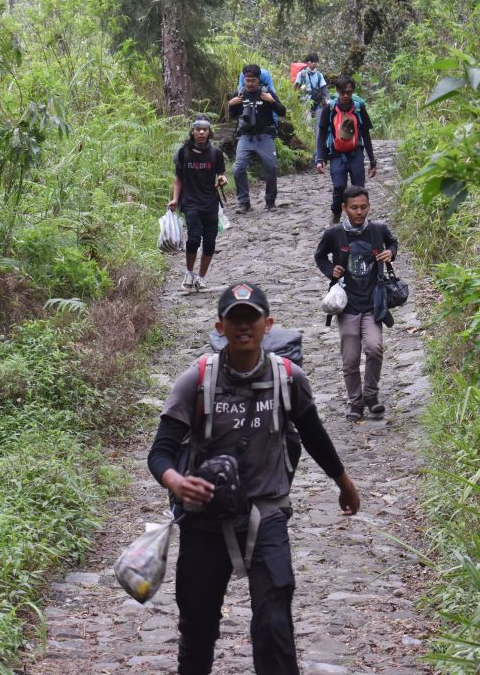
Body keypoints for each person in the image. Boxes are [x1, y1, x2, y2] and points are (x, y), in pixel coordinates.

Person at [148, 282, 360, 675]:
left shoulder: (287, 378)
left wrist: (342, 481)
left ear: (268, 324)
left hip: (267, 513)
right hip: (204, 518)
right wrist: (176, 481)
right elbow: (160, 451)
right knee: (197, 625)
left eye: (252, 319)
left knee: (274, 622)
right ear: (220, 327)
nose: (244, 327)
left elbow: (312, 433)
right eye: (235, 320)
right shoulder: (195, 380)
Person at [312, 185, 398, 420]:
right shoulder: (334, 234)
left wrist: (390, 253)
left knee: (374, 347)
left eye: (363, 207)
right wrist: (332, 272)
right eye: (354, 208)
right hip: (347, 305)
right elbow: (319, 256)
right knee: (350, 358)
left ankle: (371, 395)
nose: (359, 212)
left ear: (369, 206)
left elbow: (393, 243)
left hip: (373, 303)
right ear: (344, 208)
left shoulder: (378, 230)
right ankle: (355, 402)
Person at [168, 116, 228, 291]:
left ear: (209, 132)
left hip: (210, 202)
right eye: (198, 129)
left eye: (205, 129)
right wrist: (175, 199)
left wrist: (222, 179)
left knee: (210, 242)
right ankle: (189, 272)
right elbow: (178, 179)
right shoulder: (183, 152)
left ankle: (201, 277)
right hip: (190, 202)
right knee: (193, 238)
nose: (201, 132)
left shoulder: (215, 153)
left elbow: (221, 174)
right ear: (192, 132)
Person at [315, 76, 376, 223]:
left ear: (352, 92)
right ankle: (336, 214)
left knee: (359, 189)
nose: (345, 95)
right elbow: (322, 134)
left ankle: (358, 220)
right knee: (339, 187)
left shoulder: (359, 109)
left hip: (355, 153)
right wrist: (320, 158)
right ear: (337, 91)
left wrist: (372, 161)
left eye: (348, 92)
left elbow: (366, 135)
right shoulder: (329, 109)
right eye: (342, 92)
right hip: (336, 154)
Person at [230, 63, 286, 212]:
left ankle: (270, 201)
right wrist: (231, 104)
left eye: (253, 80)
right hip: (246, 137)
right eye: (247, 80)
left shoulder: (267, 93)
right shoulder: (239, 94)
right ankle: (244, 202)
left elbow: (282, 112)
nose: (250, 83)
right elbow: (233, 116)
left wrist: (271, 101)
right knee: (238, 168)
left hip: (265, 136)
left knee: (271, 167)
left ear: (258, 80)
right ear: (244, 79)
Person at [292, 53, 328, 126]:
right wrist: (293, 101)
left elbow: (324, 89)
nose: (314, 63)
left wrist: (327, 100)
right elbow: (295, 88)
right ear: (307, 62)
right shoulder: (302, 74)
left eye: (315, 61)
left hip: (316, 103)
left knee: (316, 123)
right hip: (304, 103)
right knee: (307, 122)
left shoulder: (319, 75)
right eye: (312, 61)